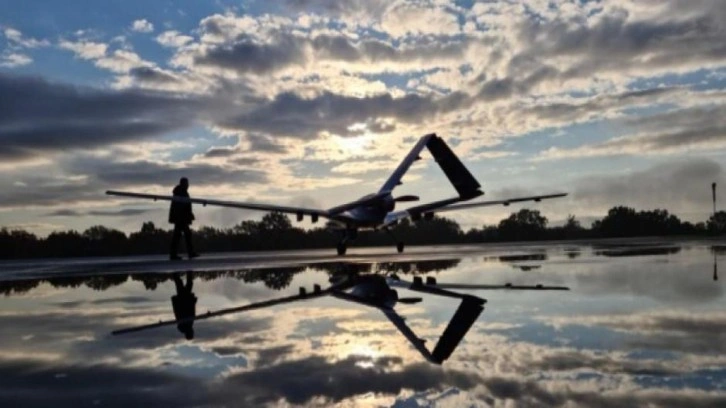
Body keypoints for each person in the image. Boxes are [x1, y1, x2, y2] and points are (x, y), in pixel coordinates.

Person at [169, 177, 199, 260]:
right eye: (187, 183)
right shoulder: (181, 192)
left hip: (180, 218)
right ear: (184, 184)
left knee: (180, 236)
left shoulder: (180, 192)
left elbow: (184, 206)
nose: (188, 185)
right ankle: (188, 253)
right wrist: (188, 215)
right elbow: (182, 207)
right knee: (184, 235)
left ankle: (175, 254)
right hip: (181, 218)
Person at [171, 272, 197, 340]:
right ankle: (187, 268)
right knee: (185, 283)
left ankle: (175, 266)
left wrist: (192, 301)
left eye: (192, 333)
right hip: (185, 299)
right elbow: (192, 311)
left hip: (183, 299)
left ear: (189, 333)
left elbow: (180, 311)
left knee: (180, 282)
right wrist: (193, 301)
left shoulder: (184, 326)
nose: (193, 331)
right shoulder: (188, 325)